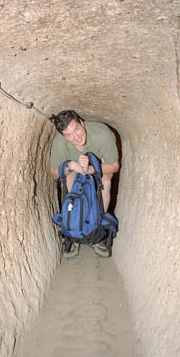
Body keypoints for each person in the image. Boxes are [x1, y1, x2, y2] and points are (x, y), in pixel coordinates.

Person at [50, 110, 120, 258]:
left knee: (106, 180)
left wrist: (91, 169)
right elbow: (55, 173)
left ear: (82, 123)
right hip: (75, 166)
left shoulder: (103, 135)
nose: (76, 137)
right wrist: (71, 166)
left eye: (76, 129)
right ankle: (74, 228)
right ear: (63, 136)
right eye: (68, 135)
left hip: (97, 166)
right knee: (69, 179)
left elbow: (114, 166)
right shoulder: (59, 142)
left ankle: (96, 231)